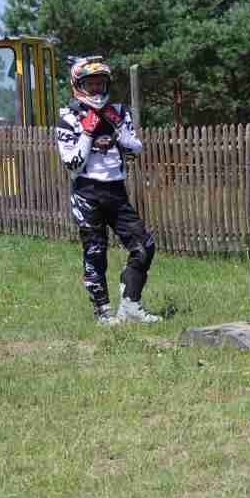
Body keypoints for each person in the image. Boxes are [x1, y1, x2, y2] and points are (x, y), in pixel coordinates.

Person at [55, 56, 161, 326]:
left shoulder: (119, 111)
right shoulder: (68, 117)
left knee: (144, 245)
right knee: (95, 252)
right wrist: (88, 135)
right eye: (90, 85)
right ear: (78, 86)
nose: (97, 90)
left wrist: (118, 132)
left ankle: (131, 304)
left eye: (101, 84)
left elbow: (136, 147)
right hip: (87, 191)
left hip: (116, 189)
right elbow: (72, 164)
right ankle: (103, 313)